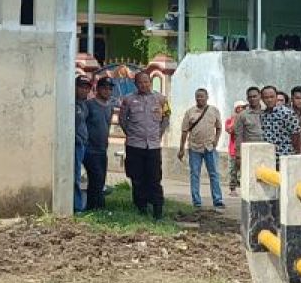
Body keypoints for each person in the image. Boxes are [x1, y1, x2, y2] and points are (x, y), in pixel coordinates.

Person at [119, 71, 170, 219]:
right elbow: (123, 119)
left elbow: (166, 117)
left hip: (153, 146)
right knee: (137, 177)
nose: (144, 85)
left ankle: (157, 208)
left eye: (146, 82)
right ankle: (141, 206)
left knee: (154, 178)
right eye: (140, 82)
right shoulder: (128, 100)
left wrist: (159, 134)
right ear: (136, 84)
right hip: (135, 145)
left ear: (150, 82)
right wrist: (131, 133)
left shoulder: (161, 99)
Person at [177, 87, 224, 209]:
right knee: (195, 174)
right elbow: (184, 131)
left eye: (202, 96)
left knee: (214, 174)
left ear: (207, 97)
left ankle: (218, 200)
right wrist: (181, 148)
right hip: (194, 148)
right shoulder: (190, 112)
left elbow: (219, 127)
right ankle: (196, 201)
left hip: (209, 147)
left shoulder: (214, 110)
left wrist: (216, 140)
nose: (200, 98)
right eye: (197, 96)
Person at [82, 78, 115, 210]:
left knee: (101, 179)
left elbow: (108, 124)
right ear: (97, 89)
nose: (107, 91)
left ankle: (98, 206)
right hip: (89, 149)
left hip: (102, 149)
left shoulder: (109, 106)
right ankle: (94, 207)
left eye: (110, 89)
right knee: (95, 178)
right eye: (104, 88)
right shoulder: (89, 105)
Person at [231, 86, 265, 186]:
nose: (253, 99)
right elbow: (238, 135)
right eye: (250, 97)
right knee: (250, 180)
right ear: (247, 99)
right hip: (250, 152)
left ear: (260, 97)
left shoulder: (267, 112)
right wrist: (238, 155)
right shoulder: (242, 115)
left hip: (266, 151)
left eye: (255, 96)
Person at [260, 85, 301, 160]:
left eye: (272, 97)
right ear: (262, 99)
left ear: (276, 97)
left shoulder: (287, 113)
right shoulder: (262, 115)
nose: (269, 100)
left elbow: (296, 135)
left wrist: (295, 153)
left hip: (284, 155)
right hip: (267, 157)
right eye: (266, 97)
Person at [73, 77, 91, 213]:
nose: (84, 90)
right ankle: (77, 206)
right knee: (75, 176)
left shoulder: (84, 104)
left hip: (83, 144)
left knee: (79, 175)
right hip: (75, 145)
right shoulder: (71, 104)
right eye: (81, 87)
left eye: (87, 88)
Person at [225, 101, 245, 197]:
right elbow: (229, 130)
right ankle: (233, 188)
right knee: (233, 170)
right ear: (235, 109)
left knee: (244, 170)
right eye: (239, 107)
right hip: (234, 149)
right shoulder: (230, 120)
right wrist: (235, 119)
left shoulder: (246, 119)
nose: (241, 109)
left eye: (243, 107)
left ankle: (244, 189)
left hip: (245, 149)